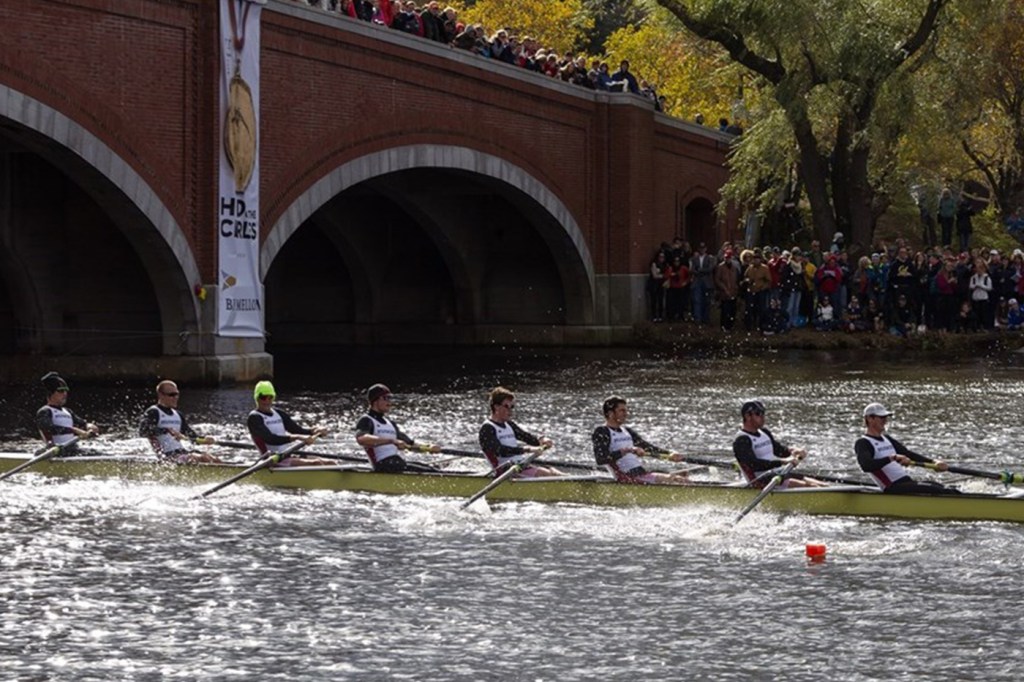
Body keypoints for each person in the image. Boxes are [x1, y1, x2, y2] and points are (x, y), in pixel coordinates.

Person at [855, 403, 959, 494]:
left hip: (906, 482)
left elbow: (908, 454)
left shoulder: (887, 439)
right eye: (882, 417)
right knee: (940, 491)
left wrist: (934, 462)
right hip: (893, 487)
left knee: (947, 488)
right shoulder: (863, 443)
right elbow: (866, 466)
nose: (885, 421)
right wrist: (893, 458)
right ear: (869, 419)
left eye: (886, 417)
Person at [592, 396, 690, 484]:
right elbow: (601, 459)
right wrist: (628, 450)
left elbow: (647, 448)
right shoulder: (602, 432)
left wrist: (670, 454)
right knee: (679, 480)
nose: (626, 414)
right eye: (622, 411)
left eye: (626, 410)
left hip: (640, 473)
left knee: (685, 473)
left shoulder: (627, 431)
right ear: (610, 413)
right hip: (626, 478)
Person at [732, 400, 826, 489]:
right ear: (747, 416)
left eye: (763, 413)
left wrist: (793, 451)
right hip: (761, 480)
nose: (763, 417)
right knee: (811, 486)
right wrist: (783, 462)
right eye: (758, 414)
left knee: (822, 485)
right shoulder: (741, 440)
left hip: (776, 474)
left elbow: (779, 450)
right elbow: (754, 464)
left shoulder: (764, 432)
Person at [355, 383, 441, 472]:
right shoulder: (366, 420)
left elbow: (410, 444)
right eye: (386, 398)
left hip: (395, 463)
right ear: (375, 401)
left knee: (433, 469)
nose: (389, 402)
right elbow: (362, 439)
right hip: (382, 465)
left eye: (390, 398)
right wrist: (392, 441)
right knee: (430, 472)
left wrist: (429, 447)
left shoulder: (390, 423)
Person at [478, 386, 562, 477]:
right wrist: (527, 449)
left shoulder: (509, 424)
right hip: (504, 472)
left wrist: (541, 440)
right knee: (547, 474)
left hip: (518, 466)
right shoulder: (487, 428)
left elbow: (526, 436)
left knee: (554, 472)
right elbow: (500, 451)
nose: (510, 411)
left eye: (512, 407)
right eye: (506, 406)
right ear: (496, 407)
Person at [246, 380, 334, 466]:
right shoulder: (254, 418)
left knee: (330, 462)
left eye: (270, 397)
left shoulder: (279, 414)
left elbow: (296, 430)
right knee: (316, 463)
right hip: (271, 459)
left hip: (286, 455)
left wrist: (314, 431)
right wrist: (296, 437)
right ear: (257, 398)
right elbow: (271, 439)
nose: (267, 401)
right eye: (263, 397)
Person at [138, 380, 221, 464]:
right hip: (167, 457)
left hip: (181, 452)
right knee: (203, 459)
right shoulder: (153, 412)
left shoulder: (178, 414)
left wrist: (204, 439)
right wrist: (166, 430)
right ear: (161, 395)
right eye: (172, 395)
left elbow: (191, 435)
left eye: (177, 394)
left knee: (215, 460)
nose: (176, 397)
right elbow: (143, 431)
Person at [35, 371, 98, 455]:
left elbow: (82, 423)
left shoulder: (68, 411)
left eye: (66, 390)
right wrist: (74, 430)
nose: (65, 394)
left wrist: (89, 426)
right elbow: (48, 428)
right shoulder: (44, 411)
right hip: (55, 450)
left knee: (96, 453)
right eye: (61, 391)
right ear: (50, 393)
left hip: (72, 449)